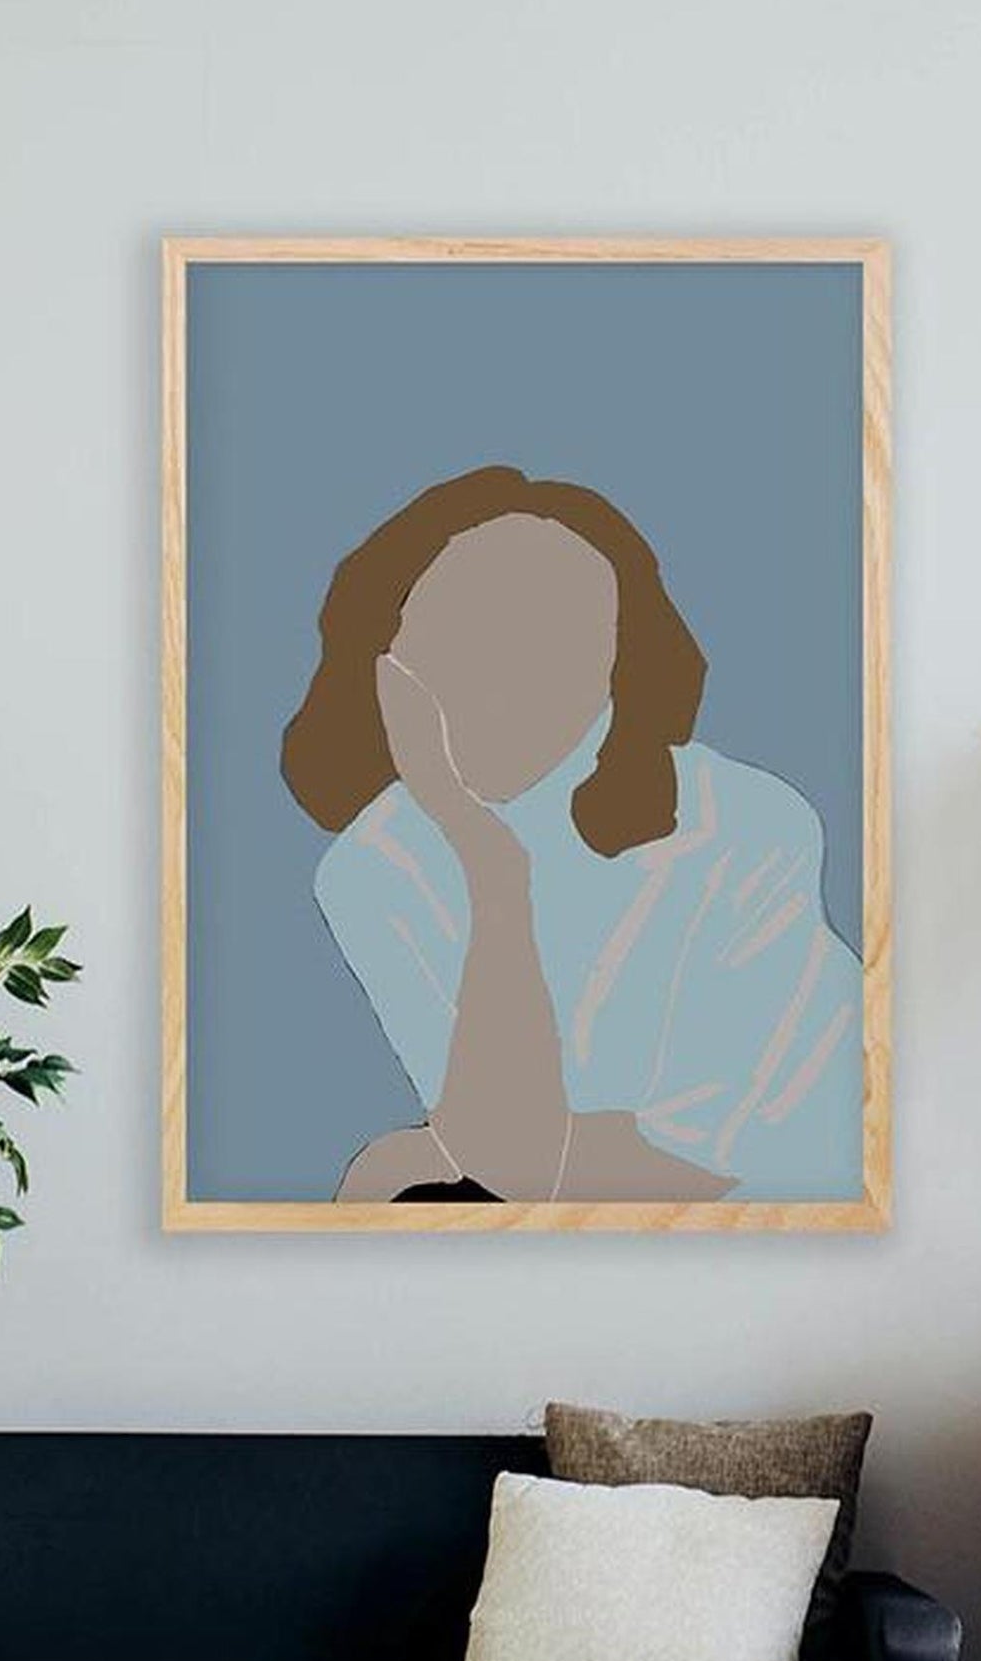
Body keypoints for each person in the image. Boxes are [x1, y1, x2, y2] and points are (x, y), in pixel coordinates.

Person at [280, 464, 862, 1204]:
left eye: (551, 636)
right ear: (392, 668)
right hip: (571, 1179)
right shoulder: (372, 867)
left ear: (617, 662)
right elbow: (504, 1156)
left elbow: (762, 1157)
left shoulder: (744, 824)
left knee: (390, 1177)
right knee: (385, 1184)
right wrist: (489, 863)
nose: (502, 680)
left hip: (782, 1194)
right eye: (462, 635)